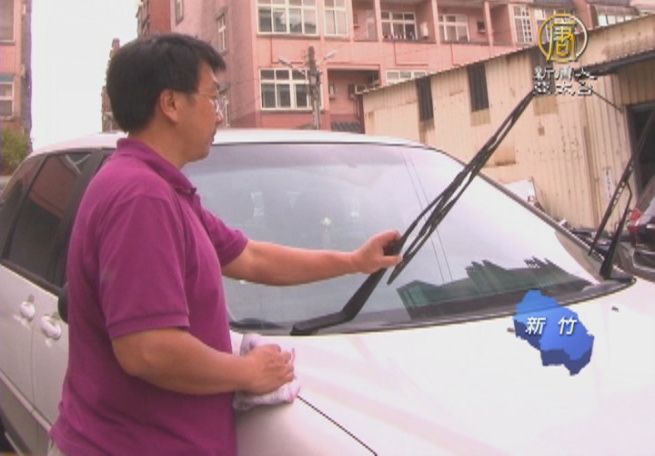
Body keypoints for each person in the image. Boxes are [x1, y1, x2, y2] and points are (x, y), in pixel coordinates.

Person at [49, 33, 401, 455]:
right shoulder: (141, 197)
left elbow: (250, 257)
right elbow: (147, 349)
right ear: (171, 104)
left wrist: (354, 261)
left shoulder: (161, 188)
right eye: (212, 98)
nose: (219, 114)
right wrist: (247, 372)